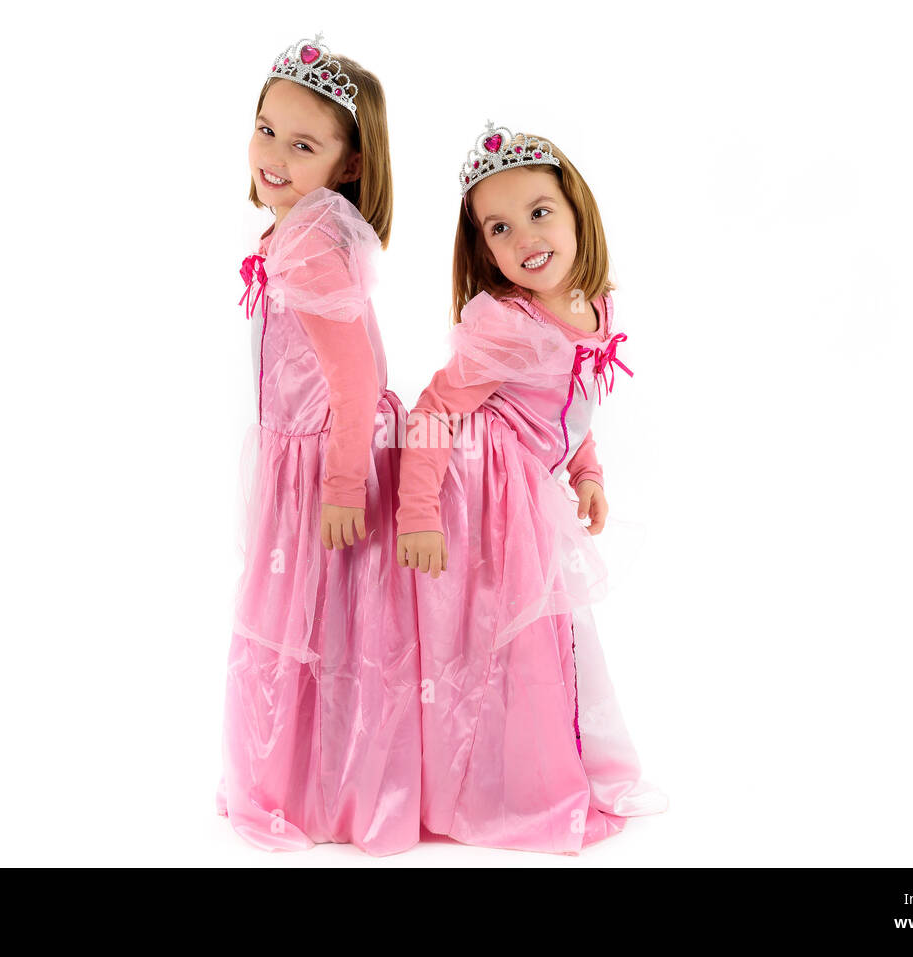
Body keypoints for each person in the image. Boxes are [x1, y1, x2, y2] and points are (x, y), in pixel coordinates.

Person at [397, 120, 669, 853]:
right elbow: (433, 410)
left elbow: (574, 406)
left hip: (534, 486)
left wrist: (587, 472)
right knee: (509, 637)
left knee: (551, 634)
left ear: (577, 208)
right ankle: (503, 779)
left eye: (539, 212)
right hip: (485, 492)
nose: (524, 238)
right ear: (483, 247)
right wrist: (417, 508)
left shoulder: (594, 304)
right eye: (499, 227)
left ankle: (540, 761)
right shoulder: (505, 325)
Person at [217, 34, 419, 856]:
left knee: (314, 619)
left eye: (303, 145)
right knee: (323, 619)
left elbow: (355, 377)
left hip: (323, 456)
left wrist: (340, 484)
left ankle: (310, 783)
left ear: (347, 163)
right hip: (299, 447)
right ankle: (315, 776)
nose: (274, 156)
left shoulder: (306, 239)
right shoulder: (305, 227)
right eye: (267, 130)